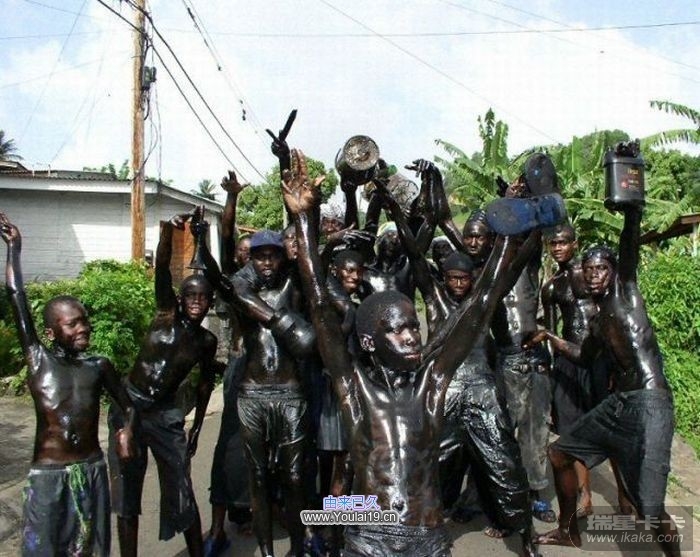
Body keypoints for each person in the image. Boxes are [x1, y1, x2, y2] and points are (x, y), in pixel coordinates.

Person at [283, 149, 549, 557]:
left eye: (412, 325)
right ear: (369, 342)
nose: (411, 336)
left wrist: (510, 230)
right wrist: (304, 220)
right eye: (397, 330)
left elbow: (482, 302)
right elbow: (319, 303)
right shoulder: (354, 390)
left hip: (427, 541)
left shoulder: (432, 385)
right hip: (369, 543)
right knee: (337, 496)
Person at [376, 166, 537, 555]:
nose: (460, 285)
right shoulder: (434, 299)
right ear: (444, 278)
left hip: (481, 389)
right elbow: (415, 254)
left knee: (504, 464)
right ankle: (424, 526)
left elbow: (514, 261)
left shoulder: (482, 301)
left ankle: (527, 537)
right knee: (429, 463)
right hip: (443, 390)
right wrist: (395, 210)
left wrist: (526, 215)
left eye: (465, 280)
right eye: (453, 279)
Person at [526, 204, 681, 556]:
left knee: (650, 507)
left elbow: (629, 244)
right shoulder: (597, 322)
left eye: (601, 269)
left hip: (651, 403)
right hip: (619, 405)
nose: (594, 275)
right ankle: (568, 531)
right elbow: (582, 356)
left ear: (613, 272)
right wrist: (549, 337)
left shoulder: (626, 294)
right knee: (559, 454)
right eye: (589, 270)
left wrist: (631, 210)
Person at [1, 212, 135, 557]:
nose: (83, 328)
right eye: (72, 324)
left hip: (92, 469)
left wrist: (125, 431)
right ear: (50, 333)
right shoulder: (39, 361)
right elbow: (16, 295)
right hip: (49, 476)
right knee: (44, 550)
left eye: (84, 321)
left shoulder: (99, 366)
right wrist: (14, 249)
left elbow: (128, 406)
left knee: (91, 549)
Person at [108, 210, 218, 557]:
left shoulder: (206, 342)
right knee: (128, 492)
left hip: (165, 413)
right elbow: (162, 267)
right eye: (190, 296)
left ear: (210, 301)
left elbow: (204, 386)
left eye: (202, 297)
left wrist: (196, 429)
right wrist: (170, 231)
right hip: (129, 405)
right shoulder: (165, 314)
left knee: (182, 487)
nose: (196, 302)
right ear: (180, 299)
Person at [202, 226, 316, 557]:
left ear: (282, 258)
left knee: (294, 476)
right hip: (252, 394)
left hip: (290, 393)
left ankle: (298, 548)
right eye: (260, 256)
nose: (267, 262)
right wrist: (201, 240)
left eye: (273, 256)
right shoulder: (240, 291)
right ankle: (267, 552)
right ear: (251, 259)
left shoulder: (293, 283)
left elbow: (309, 252)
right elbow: (223, 271)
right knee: (258, 476)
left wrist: (302, 214)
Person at [205, 171, 253, 556]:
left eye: (257, 251)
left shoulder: (278, 282)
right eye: (244, 251)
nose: (249, 255)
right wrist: (231, 198)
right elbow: (224, 236)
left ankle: (257, 509)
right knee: (230, 444)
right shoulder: (234, 282)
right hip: (241, 366)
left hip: (274, 375)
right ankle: (217, 526)